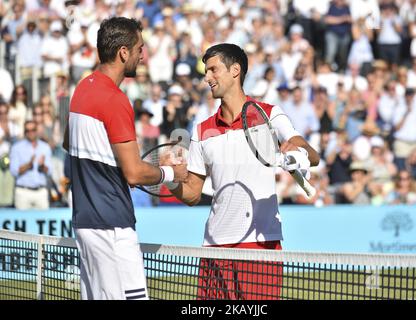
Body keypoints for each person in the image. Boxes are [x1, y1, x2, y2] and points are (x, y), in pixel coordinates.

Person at [165, 43, 319, 299]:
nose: (207, 77)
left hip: (259, 244)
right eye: (206, 71)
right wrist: (166, 177)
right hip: (214, 247)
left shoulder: (269, 114)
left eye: (213, 70)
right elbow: (192, 194)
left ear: (235, 70)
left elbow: (312, 156)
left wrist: (296, 153)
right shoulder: (201, 130)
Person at [62, 17, 188, 300]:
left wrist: (108, 164)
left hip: (86, 223)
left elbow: (69, 142)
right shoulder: (115, 99)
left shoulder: (82, 88)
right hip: (112, 226)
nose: (142, 55)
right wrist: (170, 173)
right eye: (139, 48)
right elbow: (134, 173)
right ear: (123, 52)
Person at [9, 120, 52, 210]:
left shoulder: (45, 147)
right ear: (25, 132)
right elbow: (14, 171)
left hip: (40, 192)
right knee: (22, 222)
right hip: (23, 192)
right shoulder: (16, 148)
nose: (30, 132)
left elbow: (49, 172)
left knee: (43, 221)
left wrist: (42, 166)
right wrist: (28, 165)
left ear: (37, 130)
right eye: (28, 130)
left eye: (33, 130)